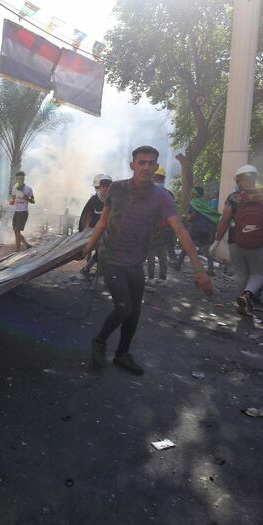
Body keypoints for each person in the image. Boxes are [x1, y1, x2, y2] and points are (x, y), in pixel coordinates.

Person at [82, 145, 213, 374]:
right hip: (111, 259)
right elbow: (102, 222)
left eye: (151, 163)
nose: (146, 167)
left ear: (156, 166)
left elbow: (181, 230)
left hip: (135, 262)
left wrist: (198, 269)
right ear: (132, 165)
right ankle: (100, 341)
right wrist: (88, 248)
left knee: (134, 313)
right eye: (141, 162)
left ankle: (122, 354)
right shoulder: (116, 189)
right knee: (123, 308)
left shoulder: (161, 197)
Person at [212, 165, 263, 317]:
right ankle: (247, 296)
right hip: (260, 243)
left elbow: (225, 220)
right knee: (258, 274)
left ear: (239, 180)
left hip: (235, 241)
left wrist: (217, 241)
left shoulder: (233, 197)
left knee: (241, 274)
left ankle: (242, 304)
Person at [175, 186, 219, 277]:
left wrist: (187, 219)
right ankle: (210, 269)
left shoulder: (194, 203)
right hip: (205, 229)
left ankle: (178, 265)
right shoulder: (204, 203)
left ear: (195, 193)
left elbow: (193, 215)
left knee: (186, 245)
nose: (191, 193)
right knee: (207, 249)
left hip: (196, 229)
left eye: (192, 192)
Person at [79, 174, 112, 275]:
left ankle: (88, 269)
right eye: (103, 187)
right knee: (93, 250)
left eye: (108, 187)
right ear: (100, 187)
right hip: (93, 230)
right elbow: (87, 214)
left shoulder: (112, 200)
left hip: (106, 231)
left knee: (101, 252)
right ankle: (89, 268)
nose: (105, 189)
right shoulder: (94, 199)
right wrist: (86, 229)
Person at [146, 167, 174, 284]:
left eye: (158, 178)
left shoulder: (149, 193)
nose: (157, 180)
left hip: (155, 228)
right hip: (165, 229)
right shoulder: (169, 194)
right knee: (162, 254)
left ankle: (152, 278)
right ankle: (162, 278)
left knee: (151, 254)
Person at [9, 171, 34, 251]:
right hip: (16, 211)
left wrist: (26, 197)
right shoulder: (14, 188)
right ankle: (26, 245)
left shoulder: (28, 189)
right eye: (18, 179)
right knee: (16, 231)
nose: (20, 180)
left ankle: (17, 250)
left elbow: (33, 201)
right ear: (16, 179)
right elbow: (13, 199)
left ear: (24, 179)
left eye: (21, 178)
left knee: (17, 231)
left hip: (23, 212)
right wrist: (11, 201)